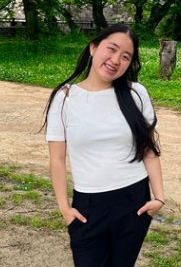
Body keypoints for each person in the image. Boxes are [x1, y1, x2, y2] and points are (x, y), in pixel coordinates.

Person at [43, 24, 165, 266]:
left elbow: (148, 149)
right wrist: (65, 209)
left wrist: (159, 198)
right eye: (111, 49)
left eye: (125, 57)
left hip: (134, 201)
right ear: (93, 47)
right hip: (88, 205)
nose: (115, 60)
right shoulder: (65, 97)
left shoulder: (136, 94)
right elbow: (57, 159)